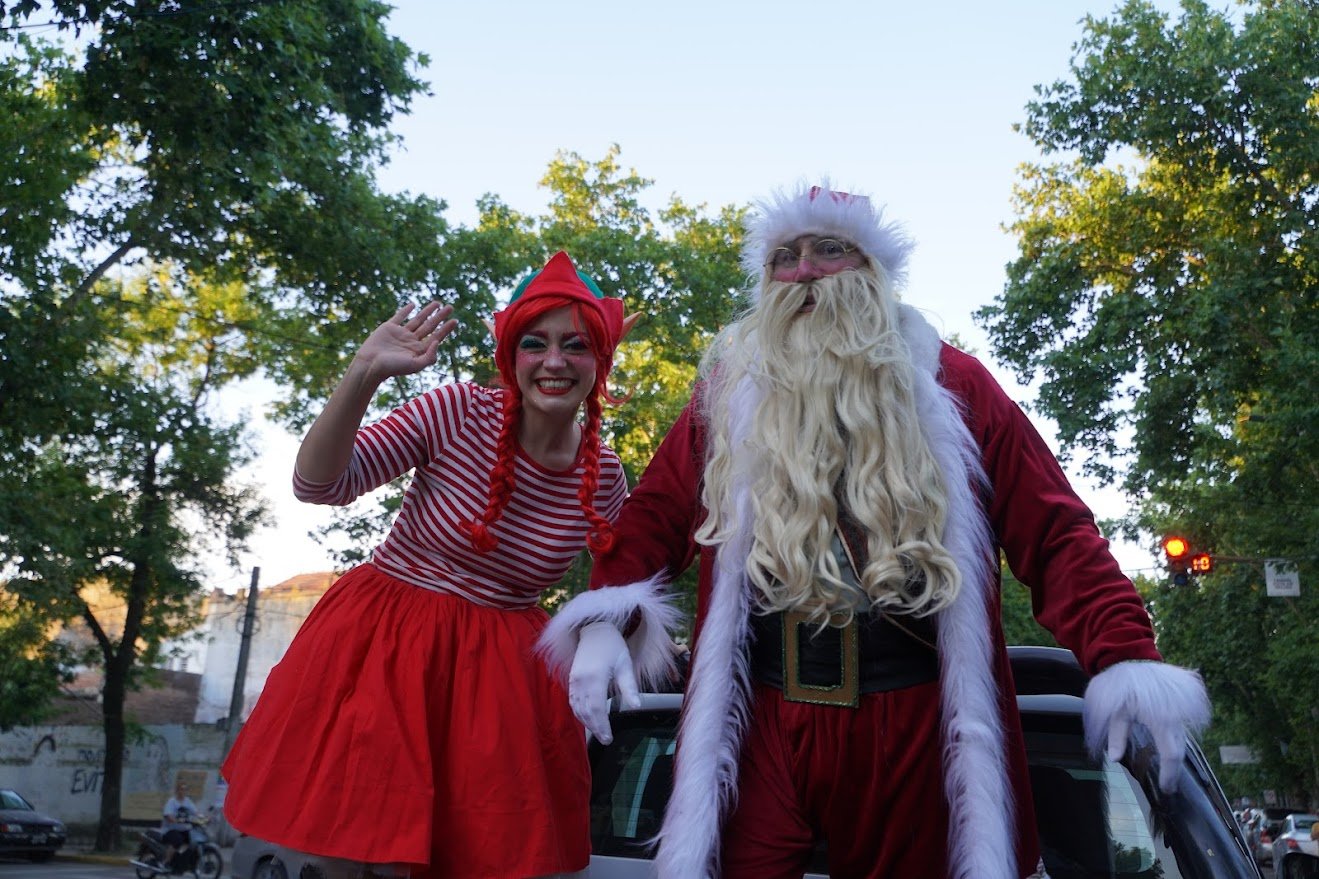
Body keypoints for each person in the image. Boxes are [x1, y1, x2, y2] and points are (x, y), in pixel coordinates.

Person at [537, 183, 1212, 879]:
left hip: (911, 719)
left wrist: (1124, 653)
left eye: (827, 250)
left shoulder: (956, 385)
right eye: (783, 258)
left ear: (871, 270)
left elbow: (1057, 533)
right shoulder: (728, 394)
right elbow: (653, 517)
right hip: (765, 715)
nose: (802, 272)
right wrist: (603, 618)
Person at [221, 251, 636, 879]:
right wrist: (364, 372)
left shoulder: (605, 479)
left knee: (477, 861)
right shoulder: (454, 412)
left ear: (599, 361)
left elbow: (627, 584)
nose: (554, 362)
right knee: (360, 860)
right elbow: (317, 485)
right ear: (511, 355)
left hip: (504, 680)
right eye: (535, 344)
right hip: (390, 653)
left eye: (575, 346)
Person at [160, 780, 197, 870]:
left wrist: (204, 818)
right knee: (177, 840)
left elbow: (196, 812)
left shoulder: (188, 801)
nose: (182, 791)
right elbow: (168, 816)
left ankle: (179, 861)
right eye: (180, 789)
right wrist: (177, 820)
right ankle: (166, 862)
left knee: (192, 842)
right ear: (177, 791)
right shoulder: (172, 802)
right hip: (170, 830)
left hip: (184, 830)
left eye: (184, 790)